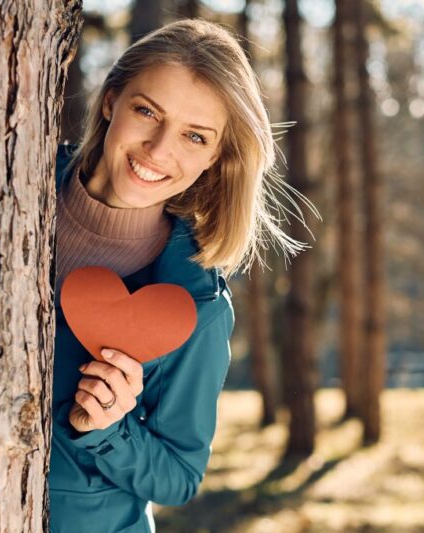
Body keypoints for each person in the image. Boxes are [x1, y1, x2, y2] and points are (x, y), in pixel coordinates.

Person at [48, 19, 311, 533]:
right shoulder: (8, 185)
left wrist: (108, 428)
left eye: (194, 136)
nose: (158, 150)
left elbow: (179, 477)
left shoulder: (197, 306)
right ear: (112, 101)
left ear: (215, 156)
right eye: (147, 112)